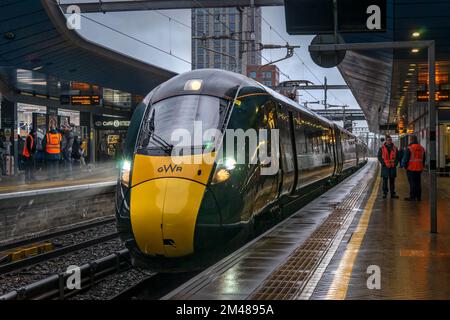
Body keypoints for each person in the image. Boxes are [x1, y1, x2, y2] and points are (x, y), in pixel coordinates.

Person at [402, 135, 426, 201]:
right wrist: (422, 166)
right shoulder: (422, 148)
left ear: (411, 140)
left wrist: (404, 166)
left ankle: (412, 197)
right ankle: (418, 197)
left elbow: (405, 159)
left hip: (411, 168)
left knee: (412, 183)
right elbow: (423, 159)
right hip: (419, 168)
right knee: (418, 183)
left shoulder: (409, 148)